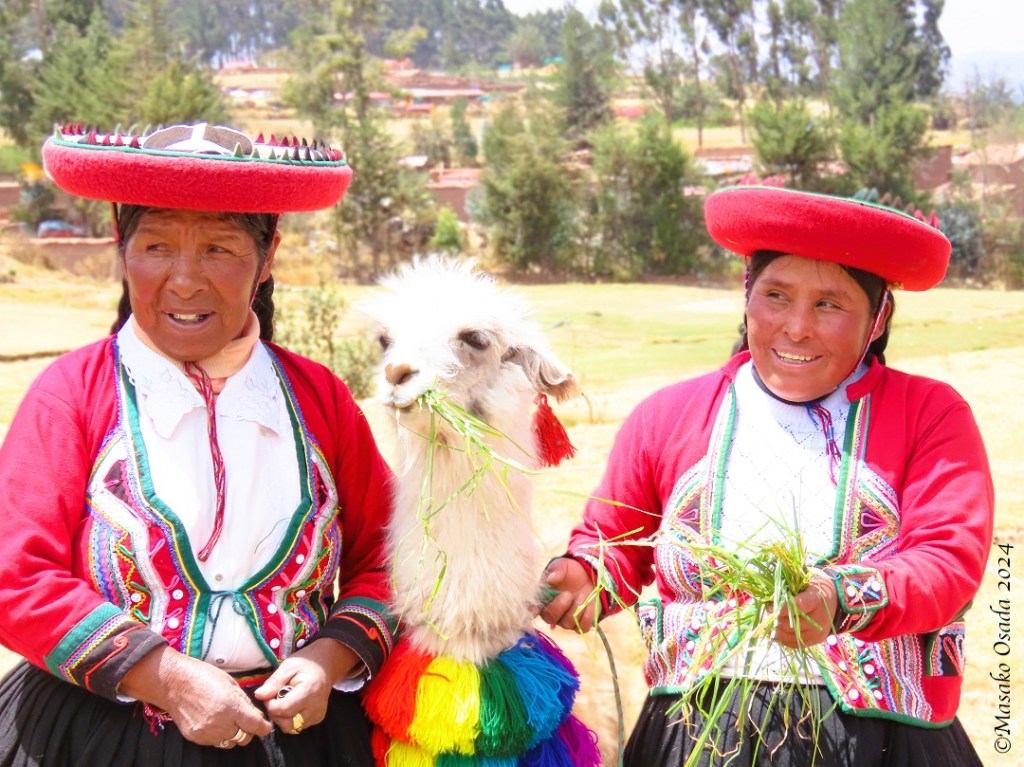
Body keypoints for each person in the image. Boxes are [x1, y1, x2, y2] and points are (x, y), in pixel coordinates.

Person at [540, 186, 995, 766]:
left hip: (880, 742)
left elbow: (947, 560)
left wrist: (838, 598)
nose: (797, 327)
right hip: (696, 736)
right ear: (747, 297)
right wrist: (583, 576)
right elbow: (616, 547)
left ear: (878, 318)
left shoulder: (928, 414)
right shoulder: (668, 417)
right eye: (776, 296)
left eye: (830, 305)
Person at [0, 122, 396, 766]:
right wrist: (166, 678)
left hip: (304, 741)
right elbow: (17, 576)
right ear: (121, 248)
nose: (184, 280)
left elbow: (389, 558)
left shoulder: (319, 398)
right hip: (99, 738)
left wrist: (329, 658)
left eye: (218, 249)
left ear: (267, 260)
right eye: (156, 246)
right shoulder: (71, 393)